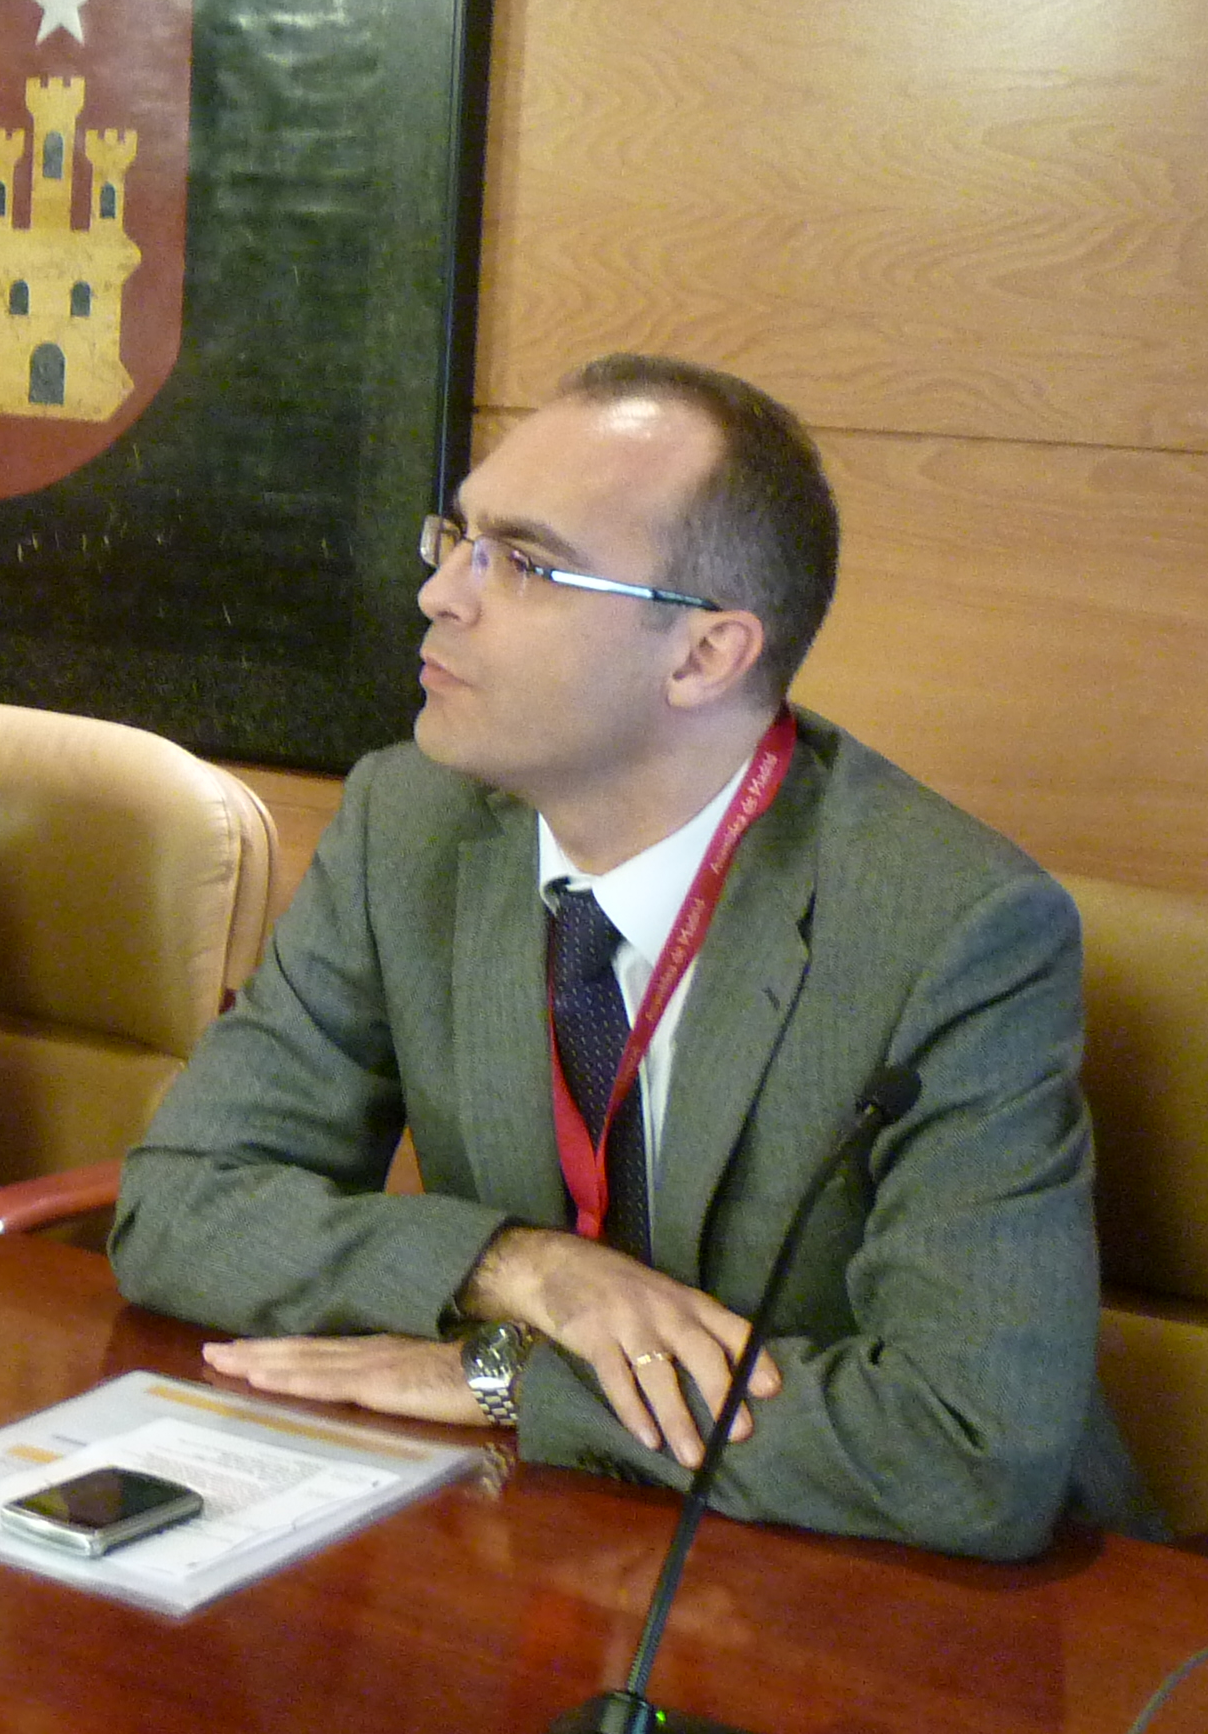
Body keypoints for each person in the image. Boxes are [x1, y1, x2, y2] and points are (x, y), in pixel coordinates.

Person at [110, 354, 1150, 1559]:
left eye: (524, 564)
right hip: (552, 1546)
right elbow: (179, 1204)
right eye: (458, 537)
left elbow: (969, 1450)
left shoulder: (952, 928)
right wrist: (516, 1269)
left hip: (883, 1581)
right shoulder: (410, 825)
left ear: (704, 655)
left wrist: (511, 1378)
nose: (441, 593)